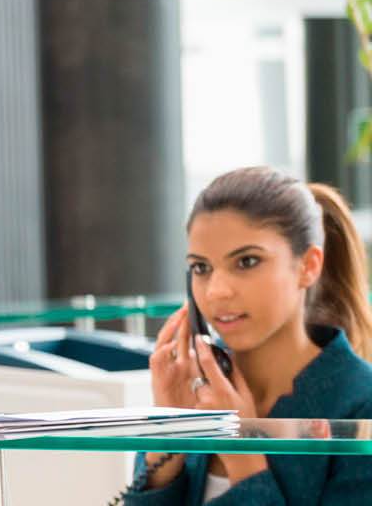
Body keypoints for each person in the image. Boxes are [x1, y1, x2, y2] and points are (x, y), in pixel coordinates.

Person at [127, 166, 372, 504]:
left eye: (246, 262)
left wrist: (241, 451)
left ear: (308, 265)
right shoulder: (198, 393)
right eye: (201, 267)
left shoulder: (360, 405)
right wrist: (169, 435)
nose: (216, 292)